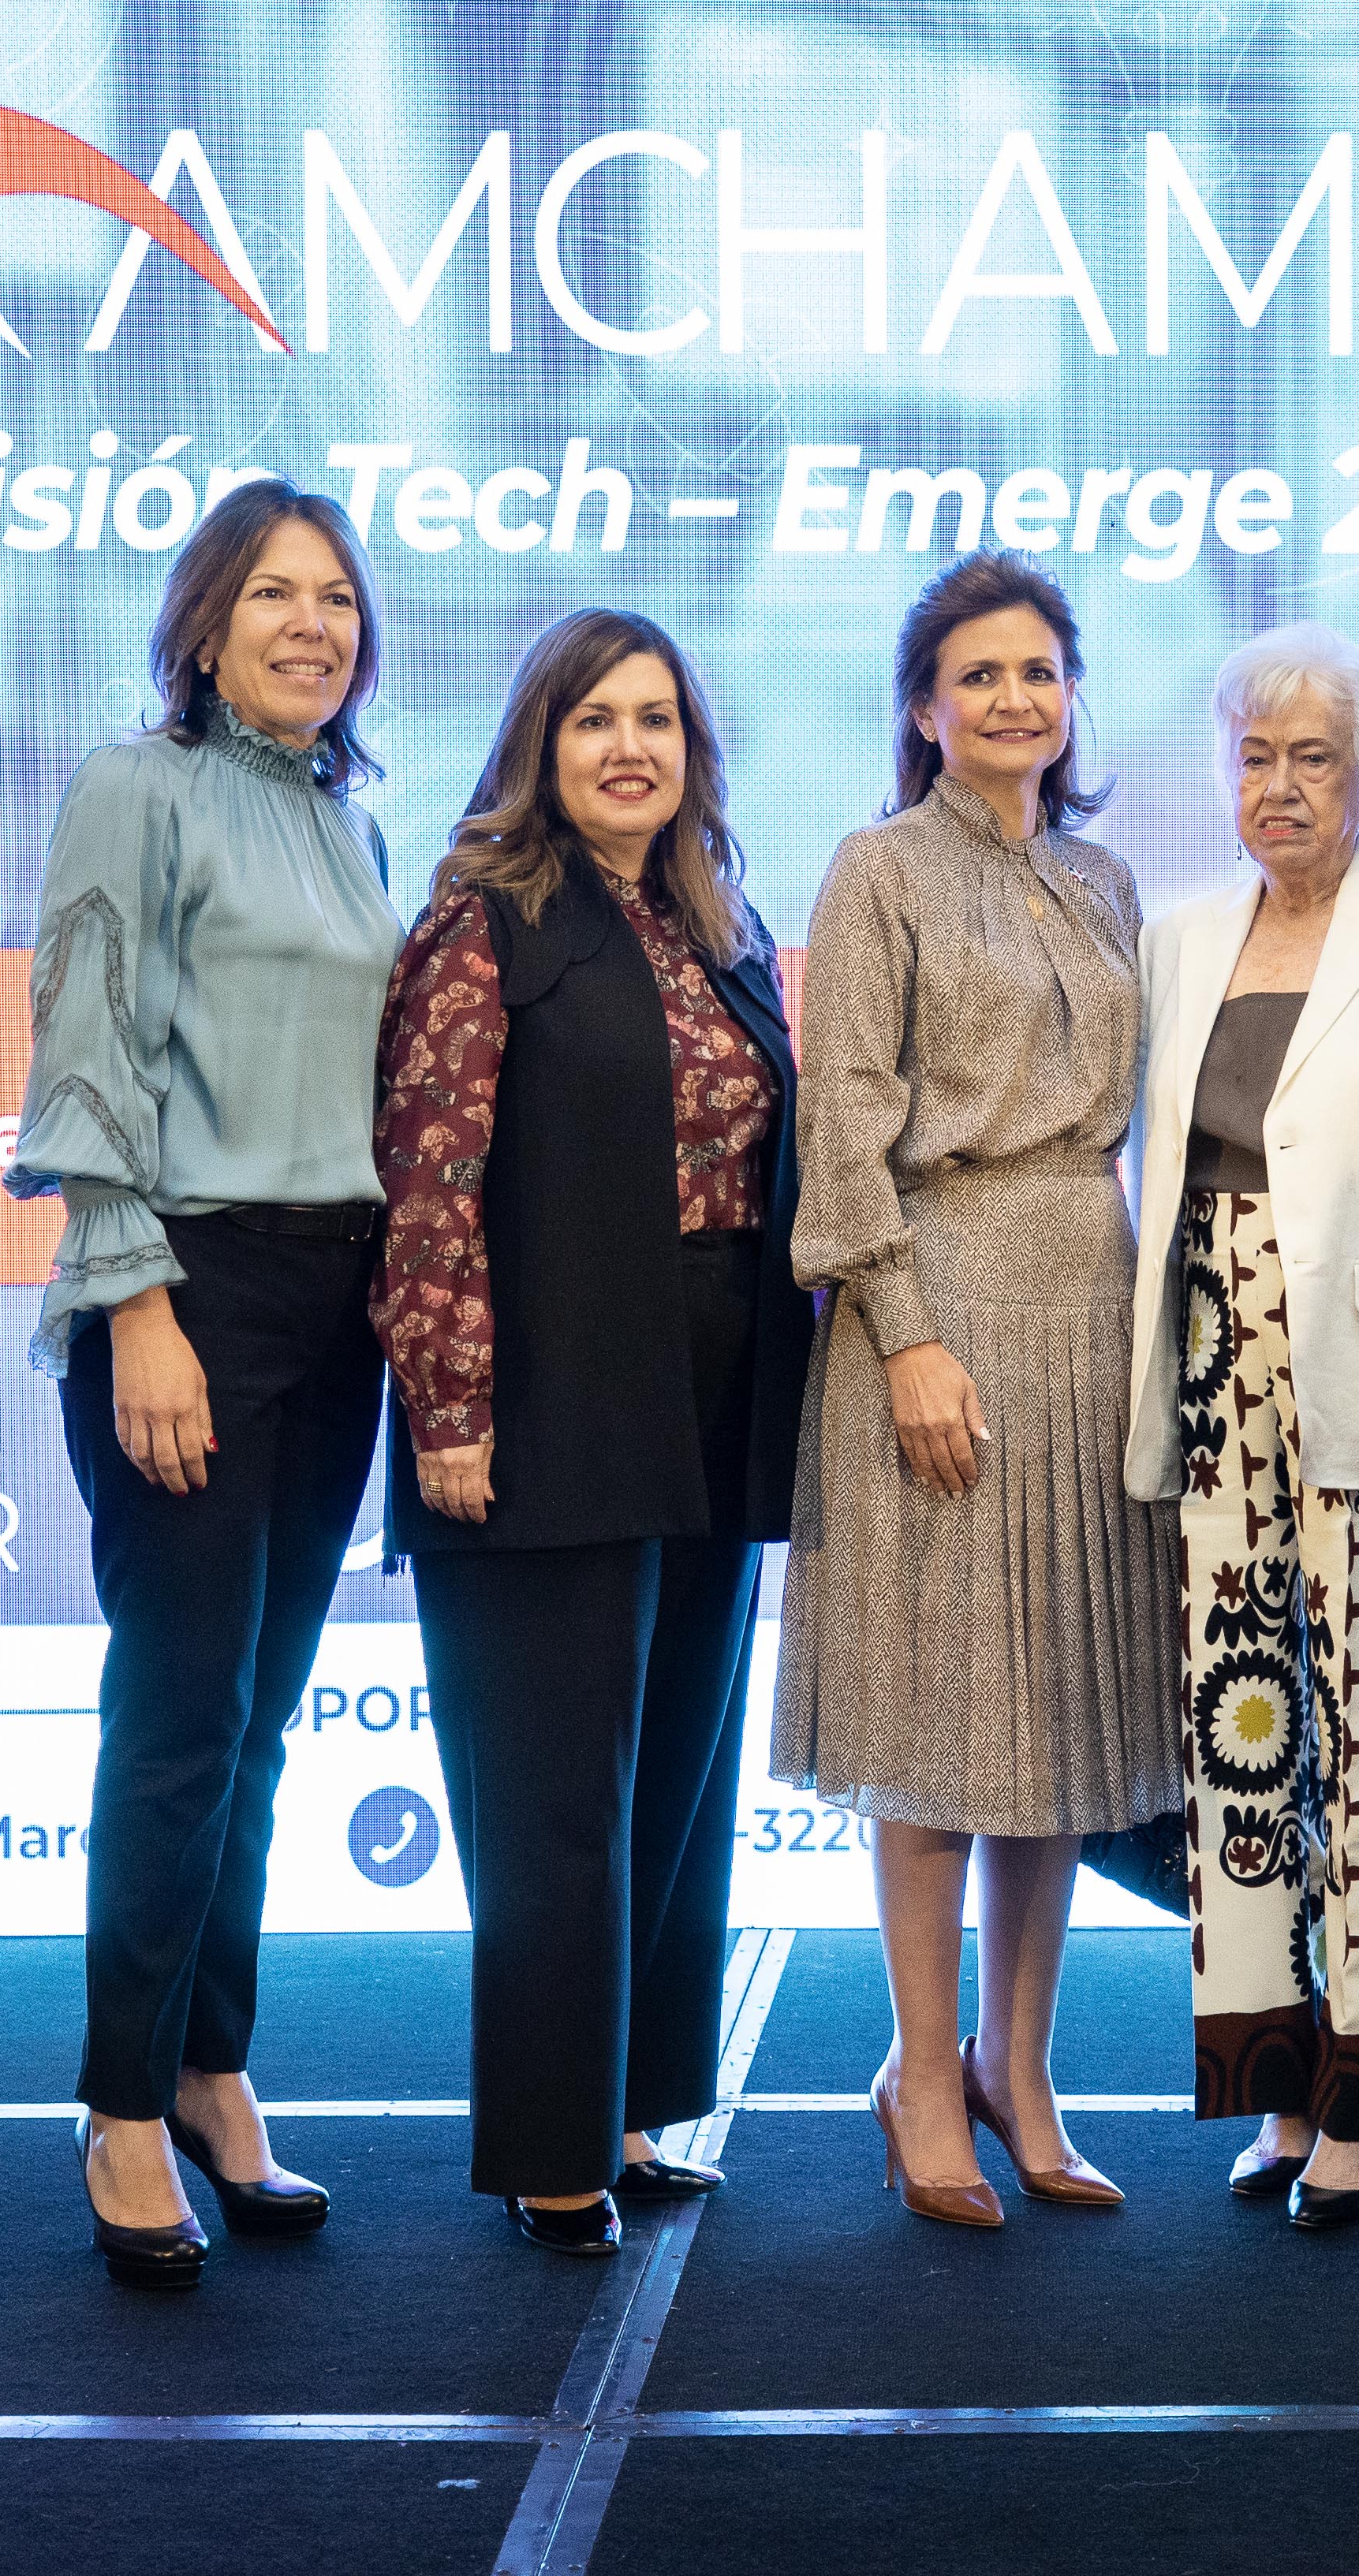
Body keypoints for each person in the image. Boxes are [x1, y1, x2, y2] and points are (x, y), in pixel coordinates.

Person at [372, 611, 814, 2260]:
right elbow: (428, 1185)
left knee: (675, 1781)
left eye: (657, 720)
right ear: (539, 748)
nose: (632, 748)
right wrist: (451, 1412)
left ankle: (628, 2109)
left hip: (711, 1395)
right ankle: (550, 2148)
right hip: (544, 1404)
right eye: (595, 721)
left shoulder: (718, 929)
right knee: (556, 1798)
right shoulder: (485, 925)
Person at [11, 478, 401, 2287]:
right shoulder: (137, 785)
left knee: (258, 1724)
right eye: (274, 595)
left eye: (337, 598)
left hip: (336, 1310)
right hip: (186, 1288)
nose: (312, 625)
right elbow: (86, 1047)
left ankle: (211, 2070)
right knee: (177, 1721)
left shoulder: (348, 823)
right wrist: (137, 1301)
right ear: (204, 623)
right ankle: (117, 2107)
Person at [777, 550, 1183, 2230]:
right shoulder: (879, 869)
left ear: (1070, 697)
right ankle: (919, 2072)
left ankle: (1022, 2068)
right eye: (980, 675)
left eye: (1040, 671)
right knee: (941, 1723)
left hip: (1093, 1305)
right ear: (925, 708)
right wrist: (905, 1332)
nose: (1016, 698)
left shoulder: (1105, 879)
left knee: (1057, 1721)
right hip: (935, 1303)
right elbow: (842, 1119)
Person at [1122, 623, 1359, 2232]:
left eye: (1314, 760)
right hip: (1210, 1355)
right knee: (1245, 1725)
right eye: (1256, 757)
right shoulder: (1179, 937)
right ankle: (1278, 2080)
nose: (1280, 787)